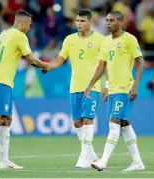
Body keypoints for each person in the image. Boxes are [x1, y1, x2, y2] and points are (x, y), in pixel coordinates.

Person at [0, 10, 48, 170]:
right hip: (1, 81)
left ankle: (4, 161)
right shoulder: (20, 36)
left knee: (7, 119)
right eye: (29, 25)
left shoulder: (3, 34)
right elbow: (31, 59)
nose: (30, 29)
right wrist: (45, 66)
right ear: (22, 22)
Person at [42, 9, 105, 168]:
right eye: (77, 21)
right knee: (77, 122)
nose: (79, 24)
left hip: (93, 86)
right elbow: (60, 59)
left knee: (87, 119)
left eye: (82, 21)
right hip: (75, 86)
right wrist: (49, 66)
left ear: (90, 22)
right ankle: (91, 154)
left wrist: (108, 85)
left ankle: (83, 157)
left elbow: (106, 64)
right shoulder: (69, 39)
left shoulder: (100, 40)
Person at [85, 11, 145, 172]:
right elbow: (103, 66)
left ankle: (102, 161)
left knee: (113, 124)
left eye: (112, 20)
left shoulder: (129, 39)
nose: (108, 23)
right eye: (107, 20)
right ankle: (137, 162)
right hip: (112, 89)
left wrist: (135, 85)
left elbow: (140, 63)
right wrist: (97, 85)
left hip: (125, 89)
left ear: (120, 22)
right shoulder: (105, 41)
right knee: (124, 124)